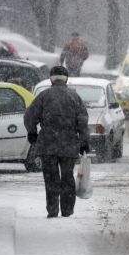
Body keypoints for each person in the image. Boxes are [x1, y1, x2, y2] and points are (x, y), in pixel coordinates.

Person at [24, 66, 90, 218]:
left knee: (51, 178)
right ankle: (67, 210)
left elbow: (29, 117)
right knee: (67, 177)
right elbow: (83, 122)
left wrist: (32, 132)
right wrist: (84, 142)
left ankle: (52, 210)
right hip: (69, 145)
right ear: (66, 79)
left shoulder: (43, 96)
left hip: (48, 144)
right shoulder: (74, 97)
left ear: (51, 79)